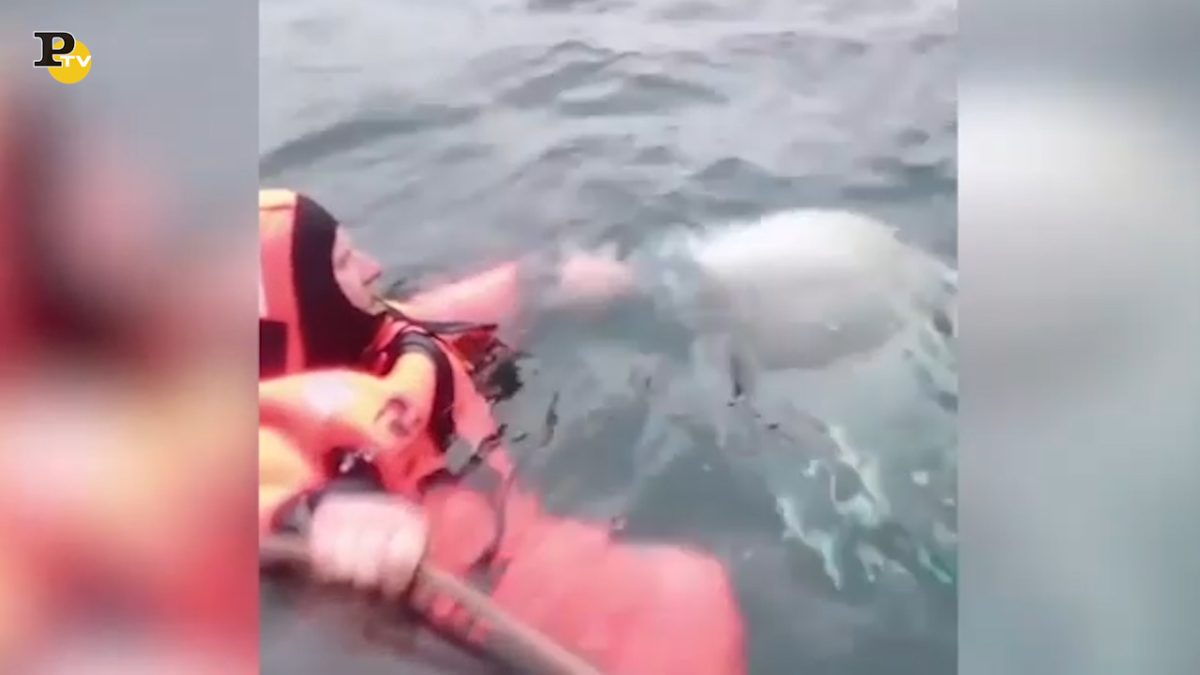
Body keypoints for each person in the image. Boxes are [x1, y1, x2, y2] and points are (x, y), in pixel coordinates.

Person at [258, 188, 746, 675]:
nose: (372, 267)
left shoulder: (384, 337)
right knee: (684, 597)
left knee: (697, 584)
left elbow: (462, 308)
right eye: (343, 263)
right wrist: (326, 509)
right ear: (299, 300)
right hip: (464, 619)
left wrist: (547, 283)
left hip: (526, 552)